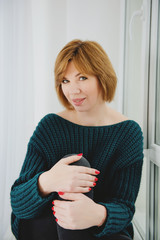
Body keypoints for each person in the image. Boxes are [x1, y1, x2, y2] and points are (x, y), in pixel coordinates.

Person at [10, 39, 144, 240]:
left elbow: (124, 207)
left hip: (99, 228)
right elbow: (18, 203)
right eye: (65, 81)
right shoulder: (51, 127)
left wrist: (97, 214)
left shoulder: (128, 133)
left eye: (82, 78)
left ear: (101, 77)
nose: (73, 90)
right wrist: (49, 181)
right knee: (77, 161)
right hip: (46, 222)